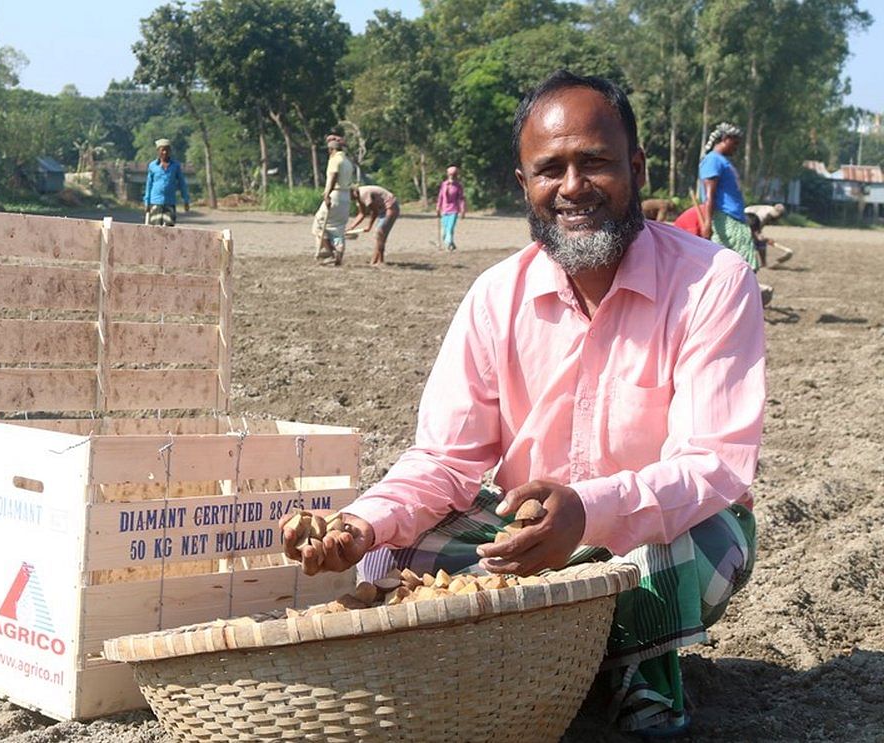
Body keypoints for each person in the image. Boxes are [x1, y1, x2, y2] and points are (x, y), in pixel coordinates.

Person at [281, 71, 765, 738]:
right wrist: (361, 523)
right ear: (524, 186)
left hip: (653, 535)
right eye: (551, 169)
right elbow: (445, 459)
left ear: (637, 167)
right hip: (523, 536)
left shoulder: (714, 282)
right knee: (385, 559)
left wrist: (590, 511)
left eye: (594, 161)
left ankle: (623, 663)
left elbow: (715, 464)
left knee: (704, 544)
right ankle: (591, 649)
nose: (573, 186)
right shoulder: (493, 297)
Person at [698, 123, 758, 270]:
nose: (736, 148)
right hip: (725, 218)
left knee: (742, 264)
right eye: (735, 143)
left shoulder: (723, 161)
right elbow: (709, 194)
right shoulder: (713, 160)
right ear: (725, 139)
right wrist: (707, 223)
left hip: (735, 217)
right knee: (738, 265)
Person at [313, 133, 356, 265]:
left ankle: (330, 253)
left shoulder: (334, 160)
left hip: (335, 195)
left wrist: (327, 194)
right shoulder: (348, 162)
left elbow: (333, 177)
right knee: (338, 228)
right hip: (345, 197)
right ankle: (338, 256)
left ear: (331, 150)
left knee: (318, 225)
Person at [349, 184, 400, 265]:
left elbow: (374, 211)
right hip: (382, 210)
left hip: (390, 207)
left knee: (380, 233)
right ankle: (374, 261)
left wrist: (369, 226)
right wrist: (351, 227)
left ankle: (380, 260)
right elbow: (362, 214)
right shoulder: (359, 198)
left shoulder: (364, 194)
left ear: (353, 192)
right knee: (379, 235)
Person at [144, 138, 190, 227]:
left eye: (167, 150)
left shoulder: (175, 166)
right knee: (155, 230)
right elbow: (149, 185)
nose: (165, 152)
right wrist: (147, 202)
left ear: (170, 151)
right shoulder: (152, 166)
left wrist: (186, 200)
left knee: (169, 230)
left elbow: (182, 184)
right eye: (162, 150)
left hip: (170, 203)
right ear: (158, 151)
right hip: (155, 202)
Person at [436, 166, 467, 251]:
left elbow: (461, 199)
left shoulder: (458, 186)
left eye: (453, 175)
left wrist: (463, 210)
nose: (451, 176)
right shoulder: (444, 184)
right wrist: (438, 207)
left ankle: (448, 245)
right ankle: (451, 244)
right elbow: (440, 197)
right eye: (450, 174)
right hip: (444, 209)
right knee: (444, 232)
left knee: (450, 229)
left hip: (454, 210)